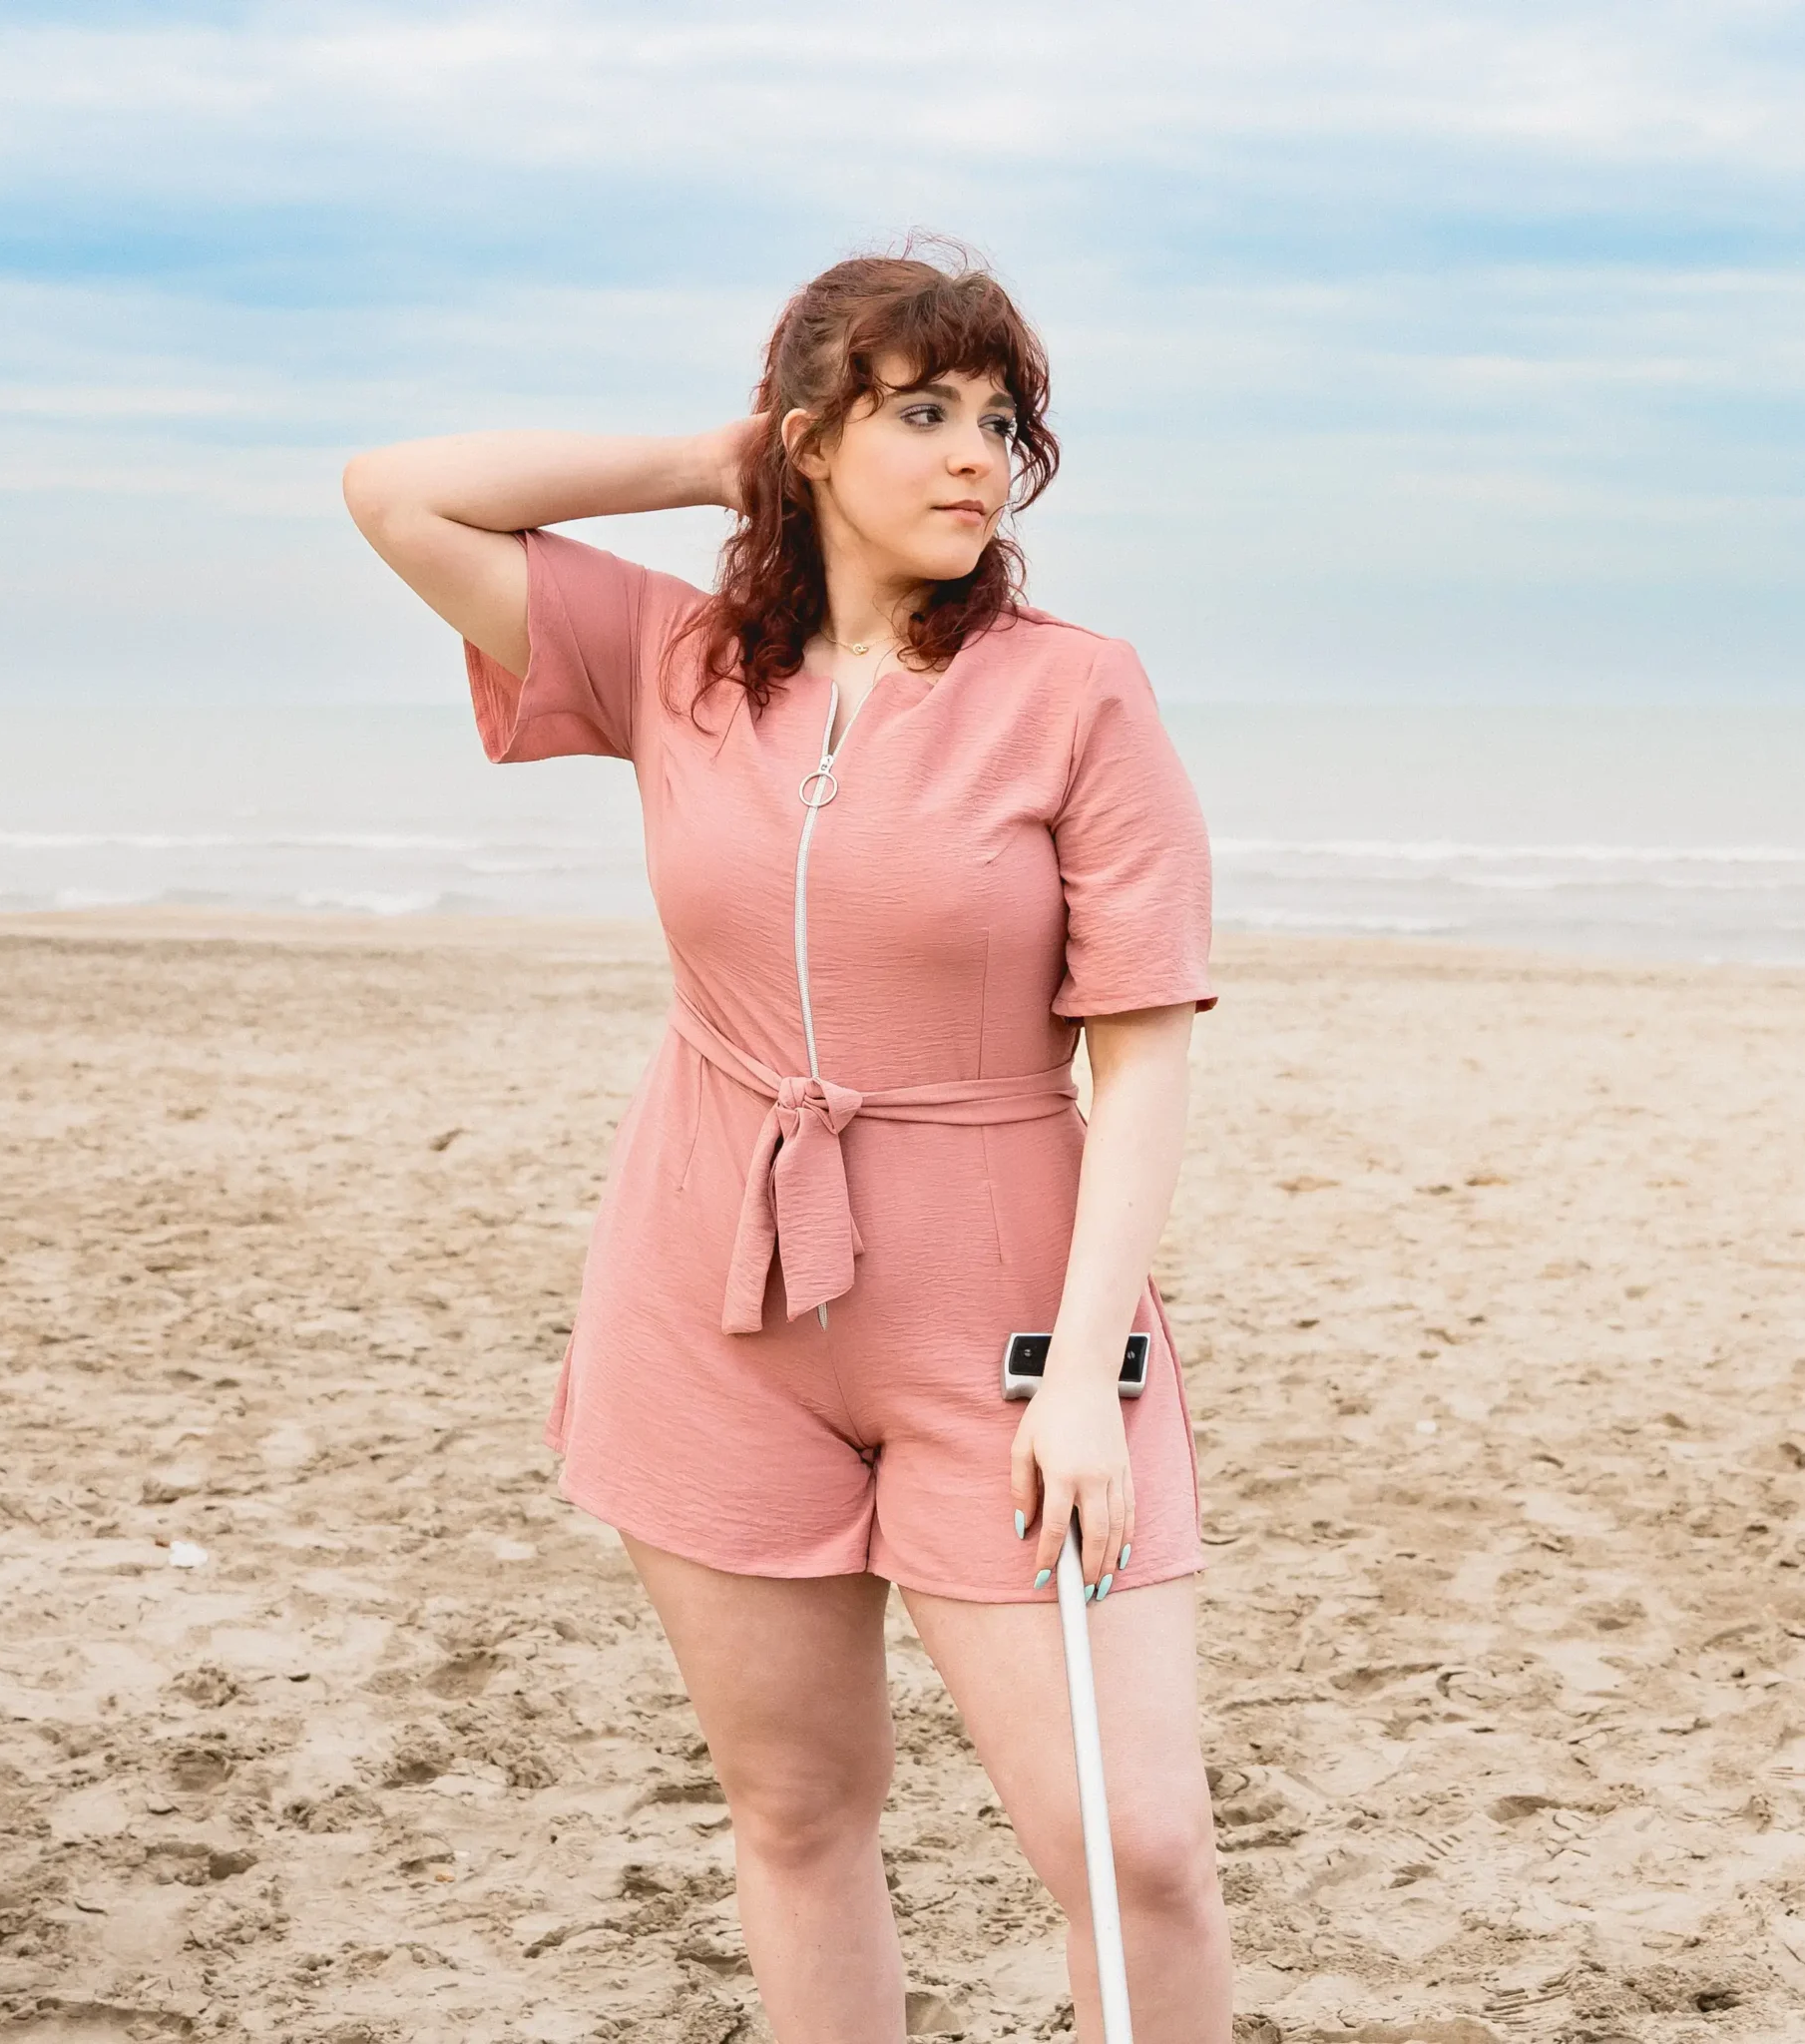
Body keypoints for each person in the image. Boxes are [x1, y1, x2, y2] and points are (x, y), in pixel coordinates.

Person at [343, 244, 1231, 2044]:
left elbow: (1140, 1066)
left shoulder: (1078, 692)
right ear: (816, 438)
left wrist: (1078, 1378)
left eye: (1000, 419)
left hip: (1002, 1324)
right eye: (922, 413)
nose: (976, 452)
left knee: (1136, 1858)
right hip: (707, 1306)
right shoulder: (675, 662)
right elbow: (395, 493)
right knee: (800, 1812)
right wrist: (713, 457)